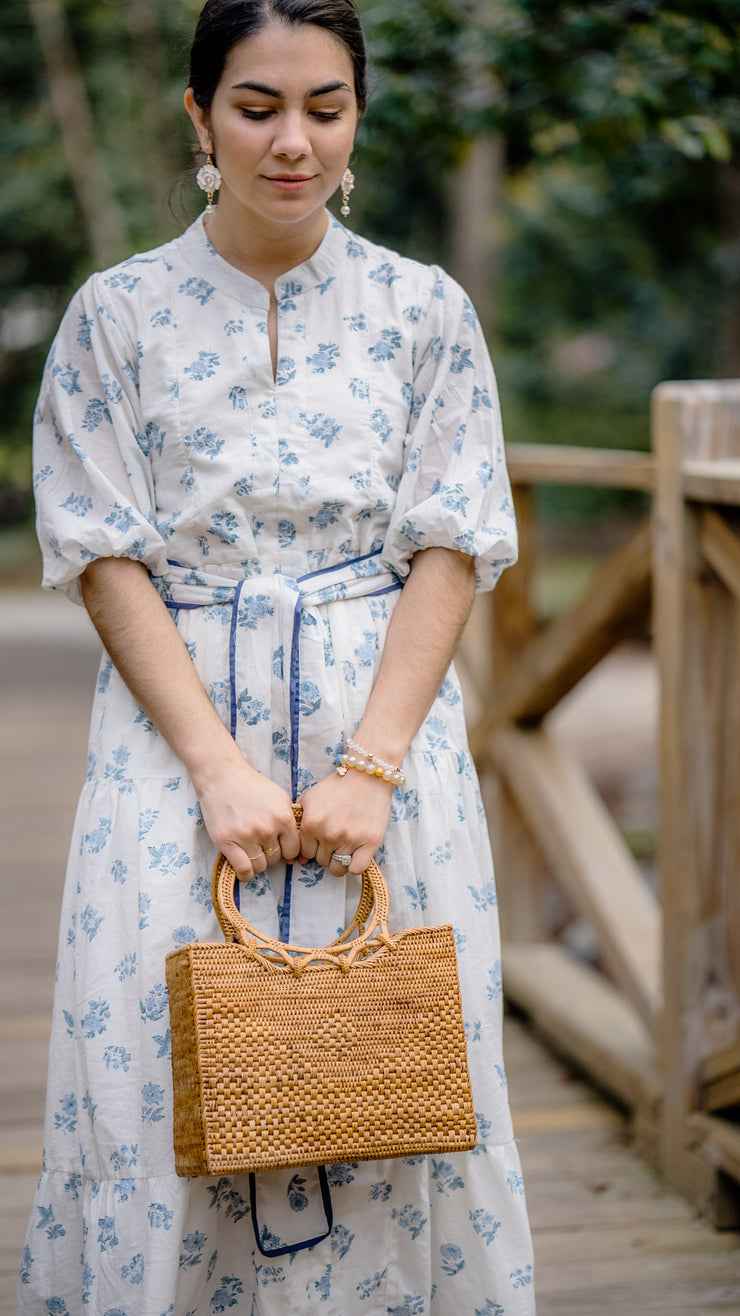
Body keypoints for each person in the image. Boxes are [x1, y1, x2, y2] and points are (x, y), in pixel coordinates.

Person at [17, 0, 535, 1311]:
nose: (292, 142)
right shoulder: (112, 316)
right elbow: (103, 548)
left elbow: (452, 542)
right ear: (200, 117)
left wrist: (371, 765)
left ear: (358, 119)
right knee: (153, 1070)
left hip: (385, 741)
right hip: (173, 743)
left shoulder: (425, 312)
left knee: (394, 1071)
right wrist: (216, 772)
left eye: (325, 107)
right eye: (257, 107)